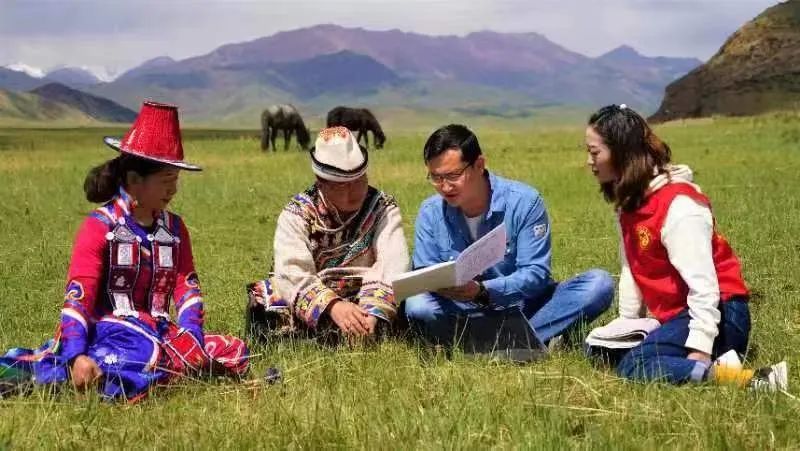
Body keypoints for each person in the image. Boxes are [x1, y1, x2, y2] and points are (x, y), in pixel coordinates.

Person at [0, 101, 249, 402]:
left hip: (158, 331)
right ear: (134, 180)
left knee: (231, 349)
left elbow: (187, 287)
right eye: (166, 181)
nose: (173, 190)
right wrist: (76, 353)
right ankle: (71, 370)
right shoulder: (99, 226)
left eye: (176, 181)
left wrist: (192, 338)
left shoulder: (175, 228)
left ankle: (150, 372)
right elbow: (79, 296)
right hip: (109, 331)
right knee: (145, 353)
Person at [584, 104, 787, 390]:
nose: (589, 161)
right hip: (679, 315)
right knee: (598, 351)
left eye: (594, 153)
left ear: (621, 153)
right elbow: (633, 266)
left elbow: (705, 286)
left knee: (635, 365)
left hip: (721, 314)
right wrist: (628, 325)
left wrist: (700, 348)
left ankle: (751, 379)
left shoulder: (679, 206)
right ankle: (709, 363)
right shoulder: (630, 204)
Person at [402, 124, 614, 351]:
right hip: (460, 308)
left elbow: (535, 274)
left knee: (598, 285)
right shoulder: (430, 211)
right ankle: (523, 340)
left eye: (453, 176)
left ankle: (480, 343)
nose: (444, 187)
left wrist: (483, 290)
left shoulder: (525, 202)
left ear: (479, 165)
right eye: (436, 177)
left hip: (521, 306)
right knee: (417, 305)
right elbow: (425, 273)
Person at [246, 126, 409, 340]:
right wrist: (333, 306)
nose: (354, 192)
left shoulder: (383, 207)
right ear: (320, 182)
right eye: (342, 186)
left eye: (359, 180)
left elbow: (394, 261)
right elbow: (292, 271)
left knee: (410, 302)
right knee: (265, 299)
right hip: (320, 294)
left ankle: (360, 328)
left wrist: (372, 313)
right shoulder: (297, 213)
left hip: (367, 294)